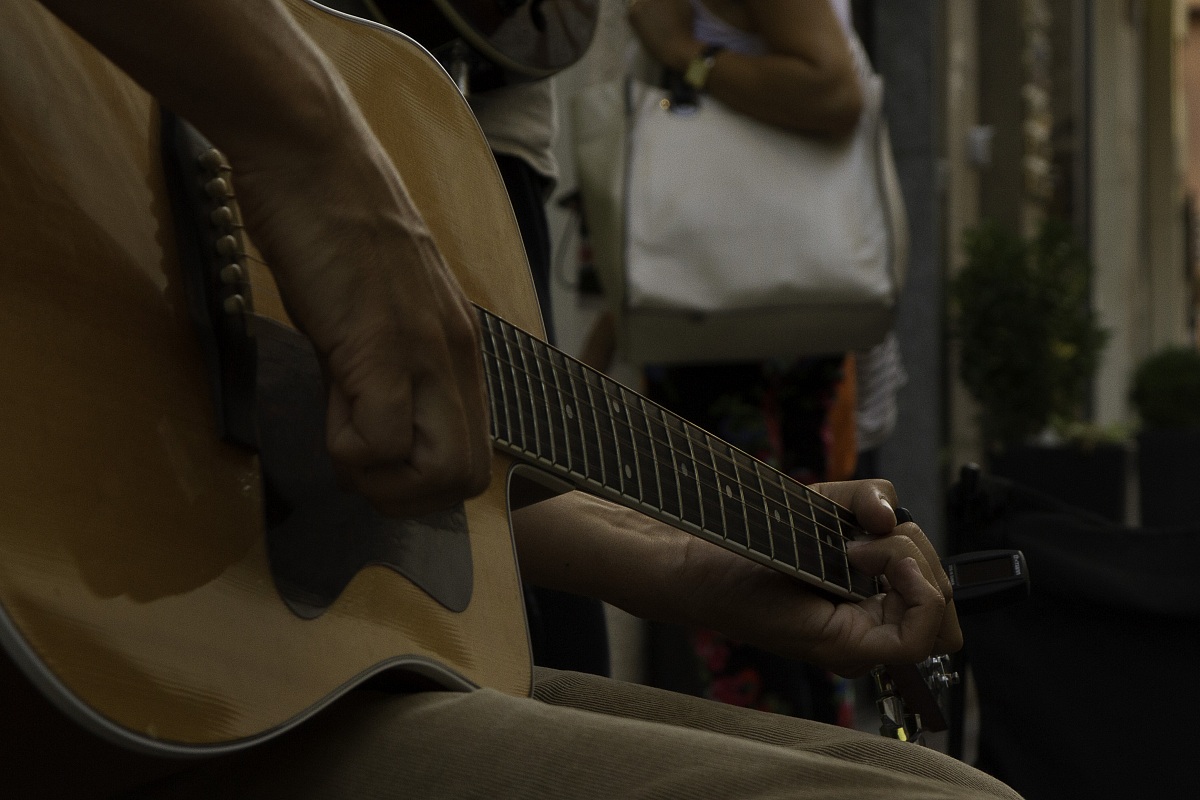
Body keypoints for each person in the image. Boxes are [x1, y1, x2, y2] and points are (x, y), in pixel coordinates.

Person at [4, 1, 1020, 797]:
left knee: (948, 781)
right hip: (126, 692)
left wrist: (678, 558)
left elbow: (421, 482)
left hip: (204, 663)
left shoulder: (430, 109)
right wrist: (317, 162)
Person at [625, 0, 875, 723]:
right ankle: (832, 766)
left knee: (744, 575)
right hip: (741, 292)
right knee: (791, 572)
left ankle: (803, 769)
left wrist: (687, 55)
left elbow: (835, 89)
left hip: (734, 304)